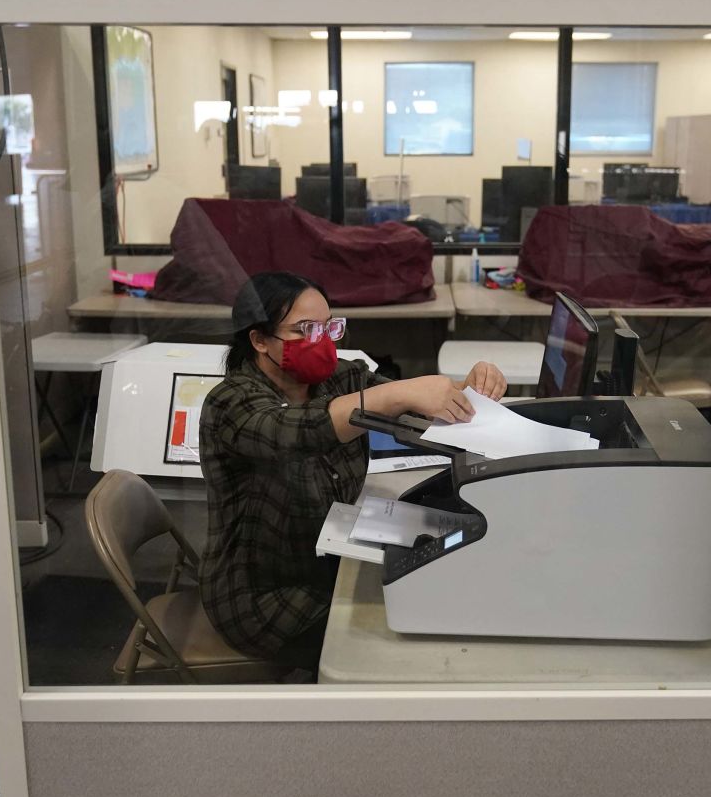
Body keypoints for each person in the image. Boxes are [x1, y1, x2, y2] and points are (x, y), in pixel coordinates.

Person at [198, 272, 507, 670]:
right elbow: (299, 429)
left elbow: (413, 409)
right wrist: (396, 393)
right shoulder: (230, 403)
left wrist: (468, 391)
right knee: (407, 640)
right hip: (266, 596)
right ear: (259, 340)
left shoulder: (339, 378)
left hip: (329, 559)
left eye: (329, 327)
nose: (323, 341)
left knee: (436, 594)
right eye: (305, 330)